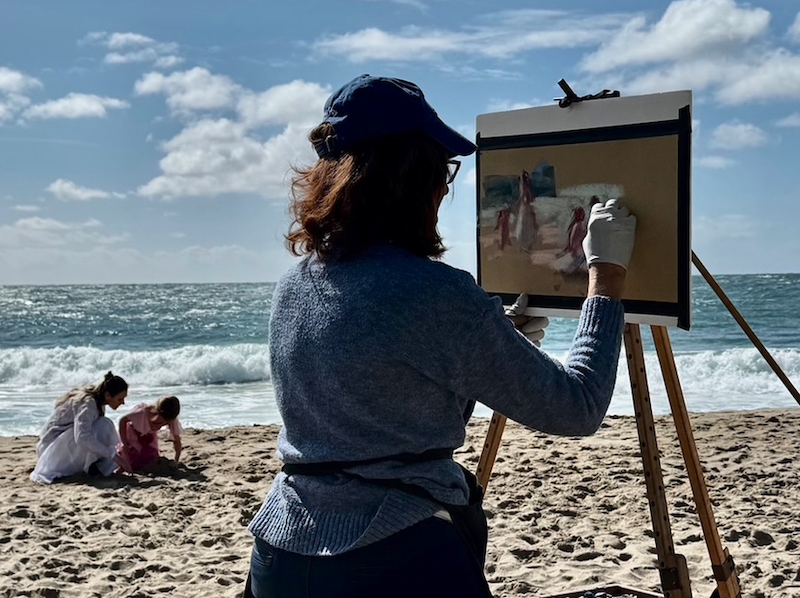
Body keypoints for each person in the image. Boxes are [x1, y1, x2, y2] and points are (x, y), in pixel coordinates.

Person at [244, 74, 637, 598]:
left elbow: (388, 403)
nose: (447, 187)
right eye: (442, 170)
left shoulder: (294, 284)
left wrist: (490, 347)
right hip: (393, 553)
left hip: (283, 548)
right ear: (411, 180)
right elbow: (579, 407)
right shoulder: (437, 294)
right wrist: (606, 277)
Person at [30, 371, 132, 484]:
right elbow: (82, 437)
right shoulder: (88, 403)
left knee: (103, 425)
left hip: (61, 444)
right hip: (50, 449)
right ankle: (93, 467)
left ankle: (97, 465)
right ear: (107, 395)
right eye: (120, 399)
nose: (123, 403)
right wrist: (113, 456)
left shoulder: (97, 401)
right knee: (102, 426)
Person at [117, 395, 183, 471]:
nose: (161, 425)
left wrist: (176, 460)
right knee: (131, 459)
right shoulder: (142, 413)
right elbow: (123, 420)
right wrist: (124, 443)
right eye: (160, 422)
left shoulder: (171, 418)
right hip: (133, 432)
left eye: (164, 424)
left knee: (151, 457)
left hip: (149, 435)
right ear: (157, 412)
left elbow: (177, 440)